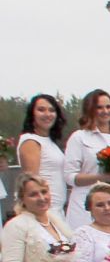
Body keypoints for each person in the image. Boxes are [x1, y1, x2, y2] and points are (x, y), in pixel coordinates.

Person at [62, 89, 110, 232]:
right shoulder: (79, 138)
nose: (105, 111)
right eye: (99, 107)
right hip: (84, 206)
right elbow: (69, 176)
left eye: (108, 107)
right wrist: (101, 178)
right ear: (90, 110)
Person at [16, 95, 70, 226]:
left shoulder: (50, 142)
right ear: (32, 114)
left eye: (51, 110)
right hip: (42, 211)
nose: (47, 114)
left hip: (56, 210)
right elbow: (31, 181)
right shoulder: (31, 141)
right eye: (41, 110)